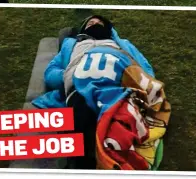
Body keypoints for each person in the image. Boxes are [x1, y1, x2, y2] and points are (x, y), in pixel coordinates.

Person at [32, 15, 157, 169]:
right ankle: (82, 164)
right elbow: (50, 74)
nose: (95, 24)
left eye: (100, 23)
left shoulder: (122, 45)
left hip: (114, 87)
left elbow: (146, 71)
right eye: (91, 23)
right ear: (84, 28)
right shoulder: (71, 45)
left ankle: (112, 160)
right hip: (80, 88)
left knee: (117, 123)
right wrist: (71, 74)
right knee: (82, 116)